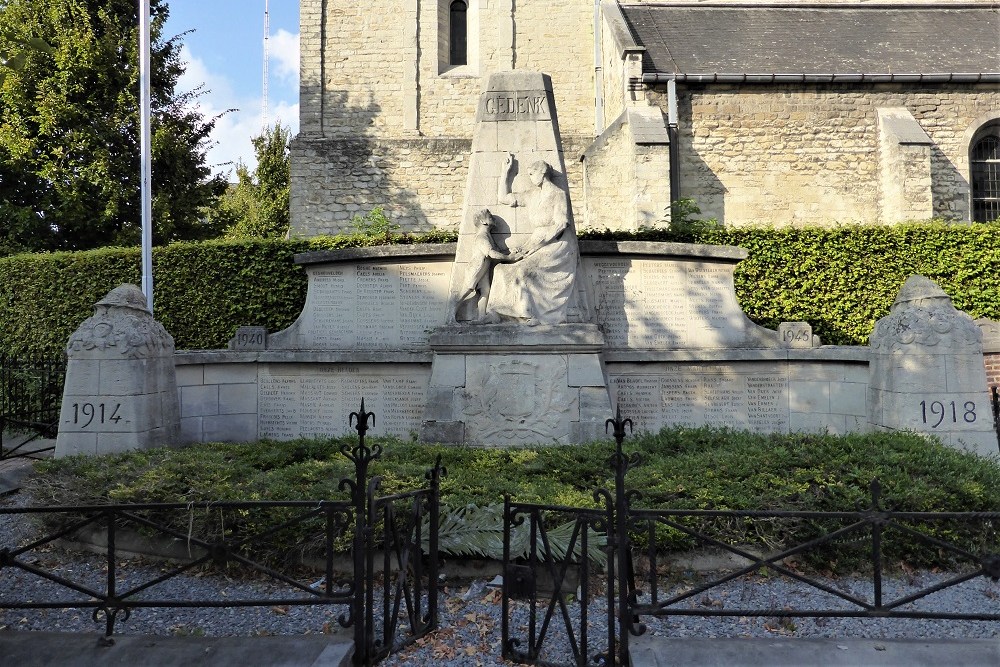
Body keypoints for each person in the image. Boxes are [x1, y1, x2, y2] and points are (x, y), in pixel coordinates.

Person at [479, 153, 579, 325]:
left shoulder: (558, 195)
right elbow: (504, 198)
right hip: (536, 242)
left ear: (542, 173)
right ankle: (496, 313)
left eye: (532, 174)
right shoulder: (531, 195)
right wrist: (505, 173)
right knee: (501, 270)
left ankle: (527, 314)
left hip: (556, 246)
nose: (530, 178)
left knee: (522, 271)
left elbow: (561, 224)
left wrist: (535, 246)